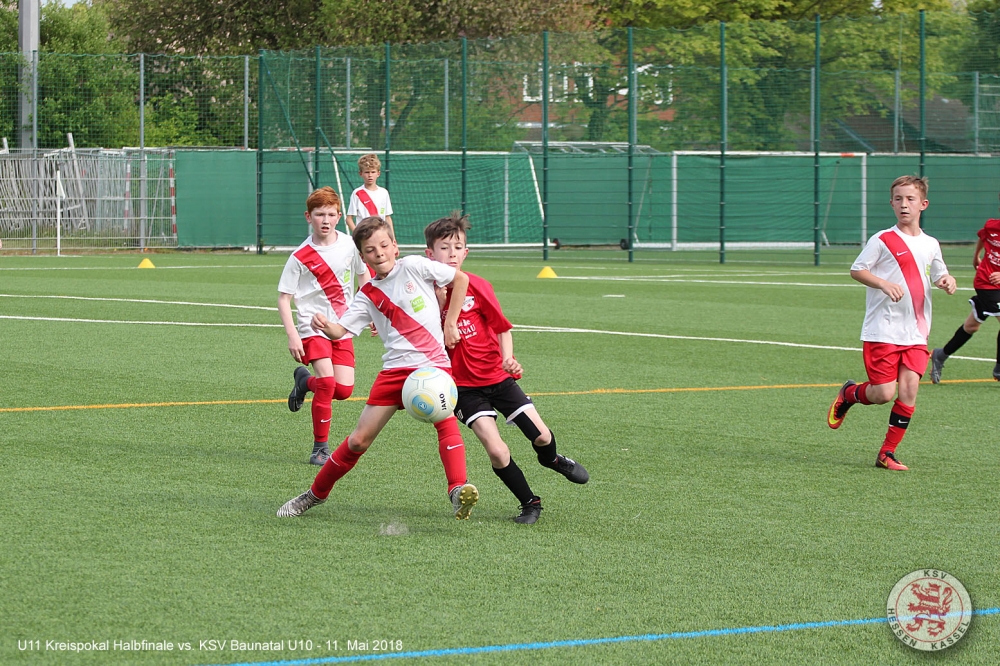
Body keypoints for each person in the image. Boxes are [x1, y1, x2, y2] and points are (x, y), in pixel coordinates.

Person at [277, 215, 480, 520]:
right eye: (370, 250)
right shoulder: (368, 294)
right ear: (363, 257)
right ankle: (314, 495)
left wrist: (450, 323)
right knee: (358, 440)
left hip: (432, 367)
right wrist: (326, 326)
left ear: (395, 246)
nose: (379, 253)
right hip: (394, 372)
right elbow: (341, 330)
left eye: (384, 245)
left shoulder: (414, 265)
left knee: (445, 420)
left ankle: (457, 490)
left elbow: (460, 279)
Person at [424, 213, 588, 525]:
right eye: (444, 248)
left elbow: (502, 328)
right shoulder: (425, 294)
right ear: (429, 254)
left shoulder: (478, 286)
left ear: (466, 252)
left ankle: (553, 460)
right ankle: (530, 503)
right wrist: (438, 307)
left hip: (498, 379)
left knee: (541, 437)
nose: (451, 254)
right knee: (497, 451)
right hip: (464, 389)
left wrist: (507, 358)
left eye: (457, 247)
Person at [827, 175, 957, 471]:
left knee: (909, 390)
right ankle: (849, 393)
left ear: (923, 204)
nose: (904, 204)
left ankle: (887, 453)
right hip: (883, 329)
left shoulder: (931, 243)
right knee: (884, 394)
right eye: (898, 199)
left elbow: (940, 274)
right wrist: (883, 284)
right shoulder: (883, 239)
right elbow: (857, 269)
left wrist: (947, 281)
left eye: (910, 199)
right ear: (891, 203)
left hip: (916, 332)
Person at [278, 187, 369, 465]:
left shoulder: (351, 245)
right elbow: (284, 299)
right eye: (319, 214)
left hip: (341, 327)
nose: (325, 220)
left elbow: (364, 278)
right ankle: (320, 448)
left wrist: (372, 313)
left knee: (343, 390)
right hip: (312, 326)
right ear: (309, 217)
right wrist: (293, 335)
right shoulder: (300, 256)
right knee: (328, 383)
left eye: (331, 214)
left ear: (339, 217)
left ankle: (304, 382)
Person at [928, 215, 1000, 382]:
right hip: (987, 283)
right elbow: (983, 236)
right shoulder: (992, 225)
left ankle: (940, 355)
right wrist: (976, 256)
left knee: (971, 326)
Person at [345, 154, 393, 238]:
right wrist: (358, 235)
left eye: (373, 172)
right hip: (364, 236)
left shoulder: (384, 193)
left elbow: (387, 217)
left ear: (378, 173)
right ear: (361, 173)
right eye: (367, 172)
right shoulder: (357, 193)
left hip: (380, 235)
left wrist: (392, 238)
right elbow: (349, 219)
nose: (370, 175)